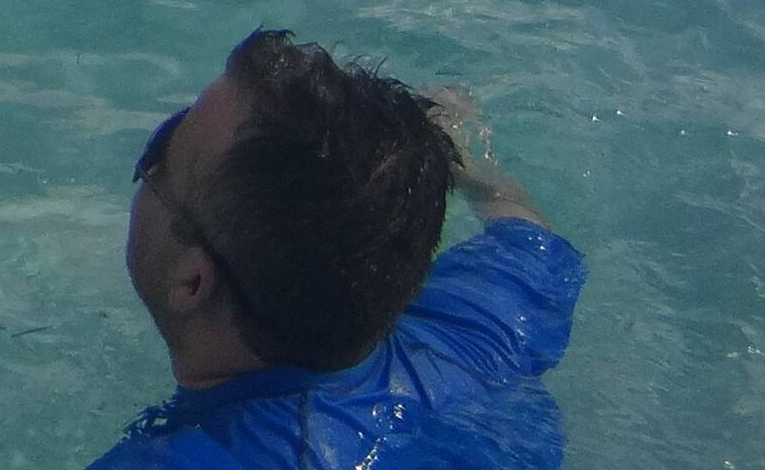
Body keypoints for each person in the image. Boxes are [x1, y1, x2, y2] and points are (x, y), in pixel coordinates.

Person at [95, 29, 585, 468]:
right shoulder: (478, 338)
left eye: (161, 151)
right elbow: (530, 239)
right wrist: (464, 162)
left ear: (192, 282)